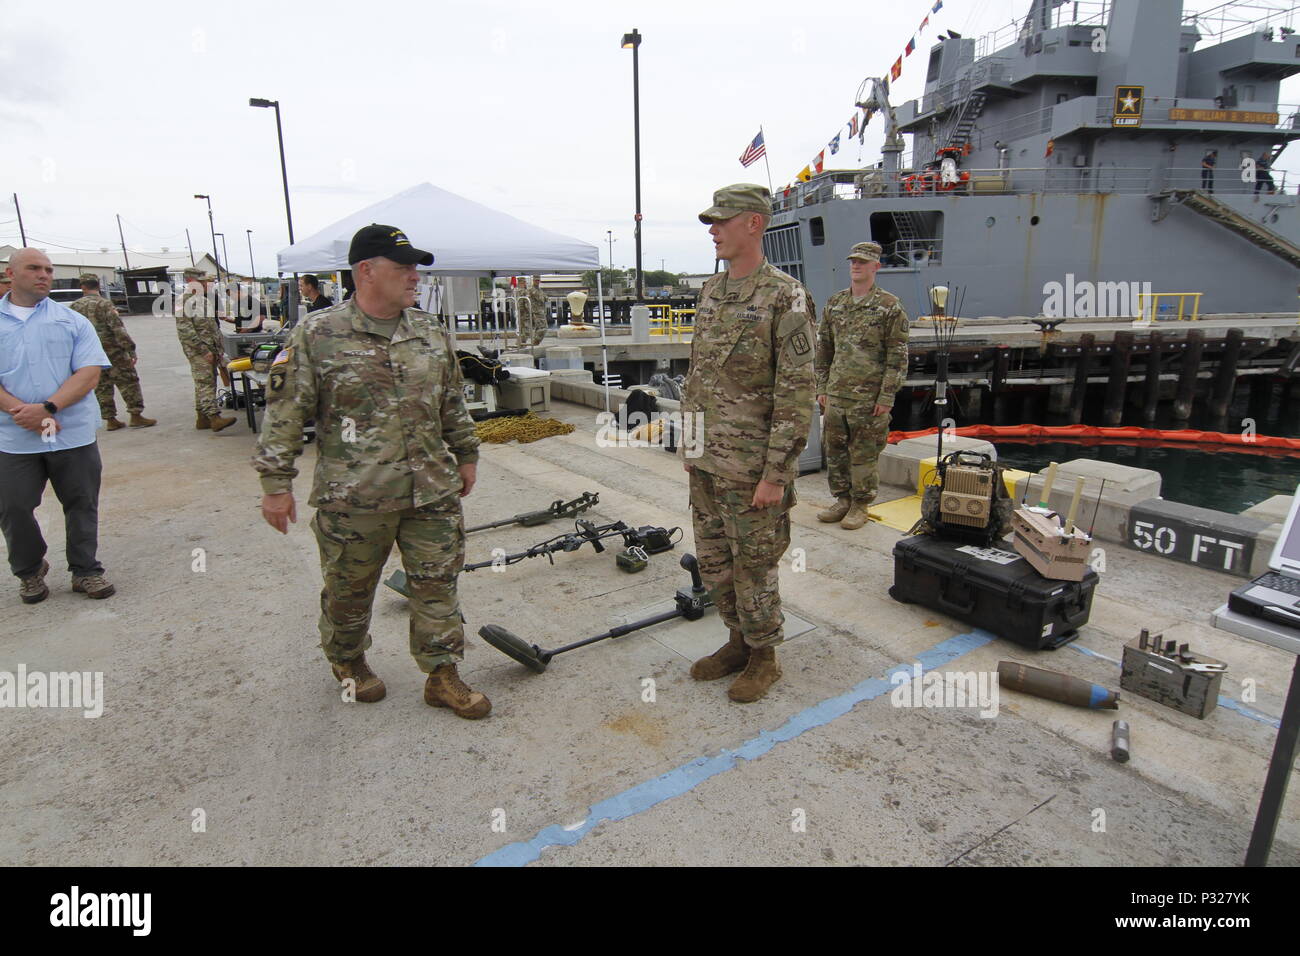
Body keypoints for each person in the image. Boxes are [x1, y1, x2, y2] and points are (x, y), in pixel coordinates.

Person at [251, 224, 489, 718]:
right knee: (349, 589)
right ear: (366, 271)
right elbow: (285, 415)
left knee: (438, 584)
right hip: (354, 498)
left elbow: (451, 401)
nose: (414, 278)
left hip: (431, 490)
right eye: (402, 268)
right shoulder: (318, 335)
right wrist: (276, 485)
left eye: (415, 269)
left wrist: (466, 453)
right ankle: (349, 661)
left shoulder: (428, 331)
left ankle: (442, 674)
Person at [681, 184, 816, 703]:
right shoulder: (711, 293)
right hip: (708, 462)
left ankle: (765, 657)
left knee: (754, 565)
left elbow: (797, 392)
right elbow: (697, 379)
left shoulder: (786, 295)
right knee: (714, 562)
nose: (713, 230)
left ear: (754, 224)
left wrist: (775, 474)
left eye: (721, 220)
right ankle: (736, 641)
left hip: (752, 467)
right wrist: (692, 452)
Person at [0, 249, 115, 603]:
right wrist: (25, 412)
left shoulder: (72, 321)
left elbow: (89, 372)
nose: (44, 275)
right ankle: (30, 570)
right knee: (13, 506)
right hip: (16, 436)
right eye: (34, 268)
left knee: (81, 501)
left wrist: (49, 408)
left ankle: (85, 571)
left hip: (70, 431)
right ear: (11, 273)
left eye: (48, 270)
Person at [814, 242, 909, 530]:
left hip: (869, 398)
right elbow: (824, 349)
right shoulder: (835, 303)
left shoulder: (889, 307)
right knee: (835, 450)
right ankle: (842, 499)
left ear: (875, 267)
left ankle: (860, 504)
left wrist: (887, 395)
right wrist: (822, 387)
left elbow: (898, 356)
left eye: (863, 262)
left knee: (864, 453)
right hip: (836, 395)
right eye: (853, 261)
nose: (856, 266)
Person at [70, 274, 156, 431]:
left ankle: (110, 419)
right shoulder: (104, 304)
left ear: (83, 287)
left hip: (90, 354)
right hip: (113, 351)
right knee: (128, 381)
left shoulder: (74, 307)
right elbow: (117, 328)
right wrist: (130, 349)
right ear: (98, 286)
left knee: (102, 385)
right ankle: (135, 415)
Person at [176, 268, 235, 433]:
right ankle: (214, 417)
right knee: (205, 382)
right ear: (190, 281)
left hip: (211, 348)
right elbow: (185, 330)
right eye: (201, 281)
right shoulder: (183, 301)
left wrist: (218, 349)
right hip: (198, 350)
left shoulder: (202, 300)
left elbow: (211, 326)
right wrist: (203, 350)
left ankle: (202, 418)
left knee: (205, 382)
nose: (204, 284)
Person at [518, 275, 548, 348]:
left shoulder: (539, 290)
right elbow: (540, 298)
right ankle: (522, 345)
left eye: (538, 280)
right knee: (527, 331)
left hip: (539, 313)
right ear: (533, 281)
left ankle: (533, 343)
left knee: (540, 329)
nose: (537, 282)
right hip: (533, 313)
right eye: (536, 280)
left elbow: (546, 298)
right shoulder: (531, 290)